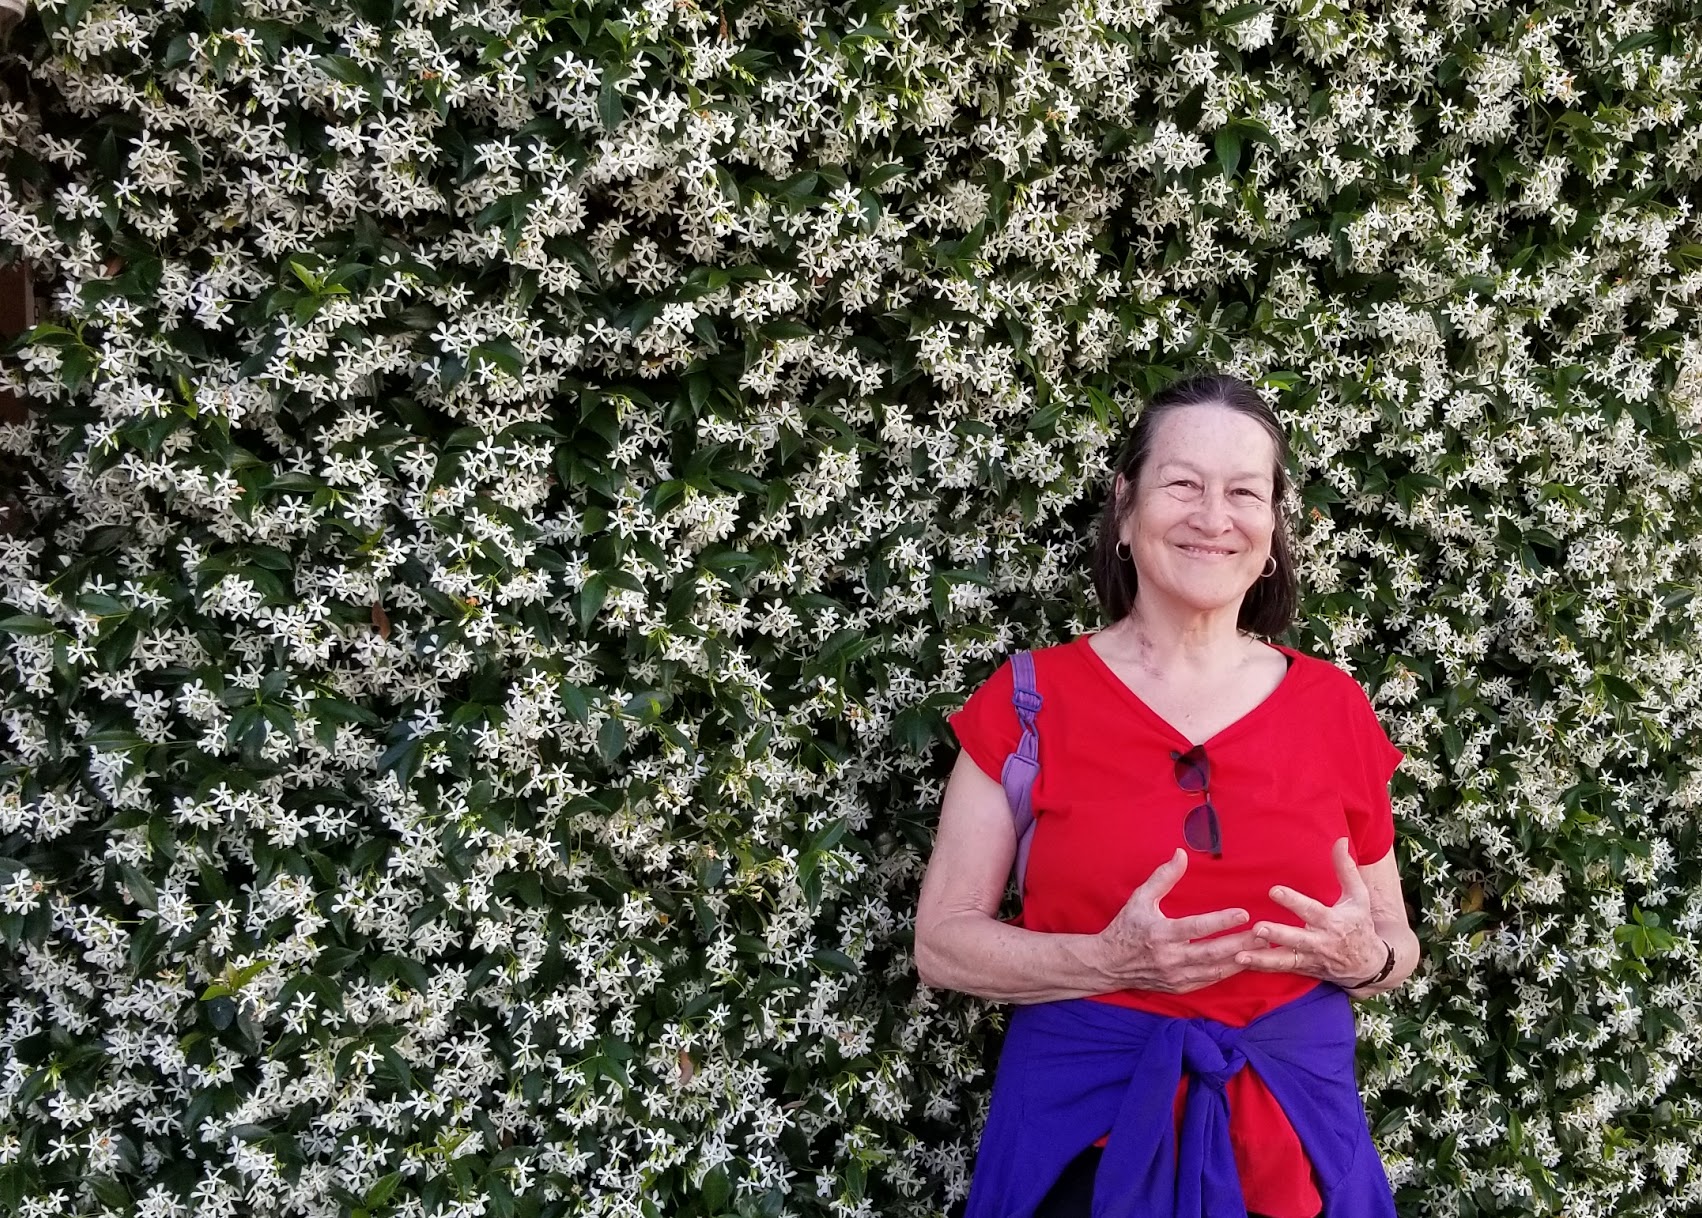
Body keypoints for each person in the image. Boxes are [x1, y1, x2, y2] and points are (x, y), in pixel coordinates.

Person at [914, 373, 1419, 1218]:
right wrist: (1107, 961)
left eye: (1244, 493)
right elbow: (942, 945)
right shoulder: (1030, 699)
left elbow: (1395, 942)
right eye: (1182, 484)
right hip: (1082, 1148)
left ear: (1272, 526)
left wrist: (1361, 958)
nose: (1214, 517)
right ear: (1125, 505)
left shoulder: (1334, 706)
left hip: (1295, 1148)